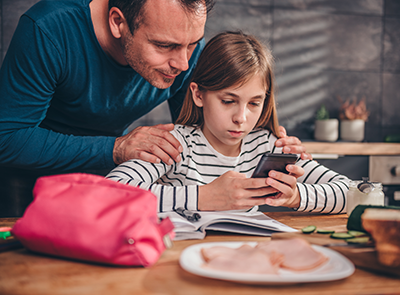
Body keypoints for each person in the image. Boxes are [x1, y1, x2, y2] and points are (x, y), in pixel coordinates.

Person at [0, 0, 307, 217]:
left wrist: (265, 143)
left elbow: (199, 135)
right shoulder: (49, 29)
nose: (184, 64)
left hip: (116, 181)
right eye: (164, 46)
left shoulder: (183, 51)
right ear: (118, 22)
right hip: (29, 181)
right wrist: (116, 148)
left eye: (192, 44)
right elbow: (7, 138)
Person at [106, 31, 350, 214]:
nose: (241, 118)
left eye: (254, 103)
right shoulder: (175, 144)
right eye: (228, 101)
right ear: (198, 94)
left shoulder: (268, 145)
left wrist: (295, 196)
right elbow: (110, 193)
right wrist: (202, 197)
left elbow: (354, 194)